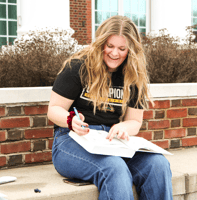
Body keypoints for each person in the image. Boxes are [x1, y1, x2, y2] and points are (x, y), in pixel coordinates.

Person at [47, 15, 173, 200]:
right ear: (101, 44)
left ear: (131, 49)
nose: (115, 53)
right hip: (71, 141)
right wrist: (70, 120)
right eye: (110, 46)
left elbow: (135, 122)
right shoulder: (78, 67)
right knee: (114, 168)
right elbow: (53, 109)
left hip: (111, 142)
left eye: (122, 48)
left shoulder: (133, 75)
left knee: (158, 165)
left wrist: (123, 127)